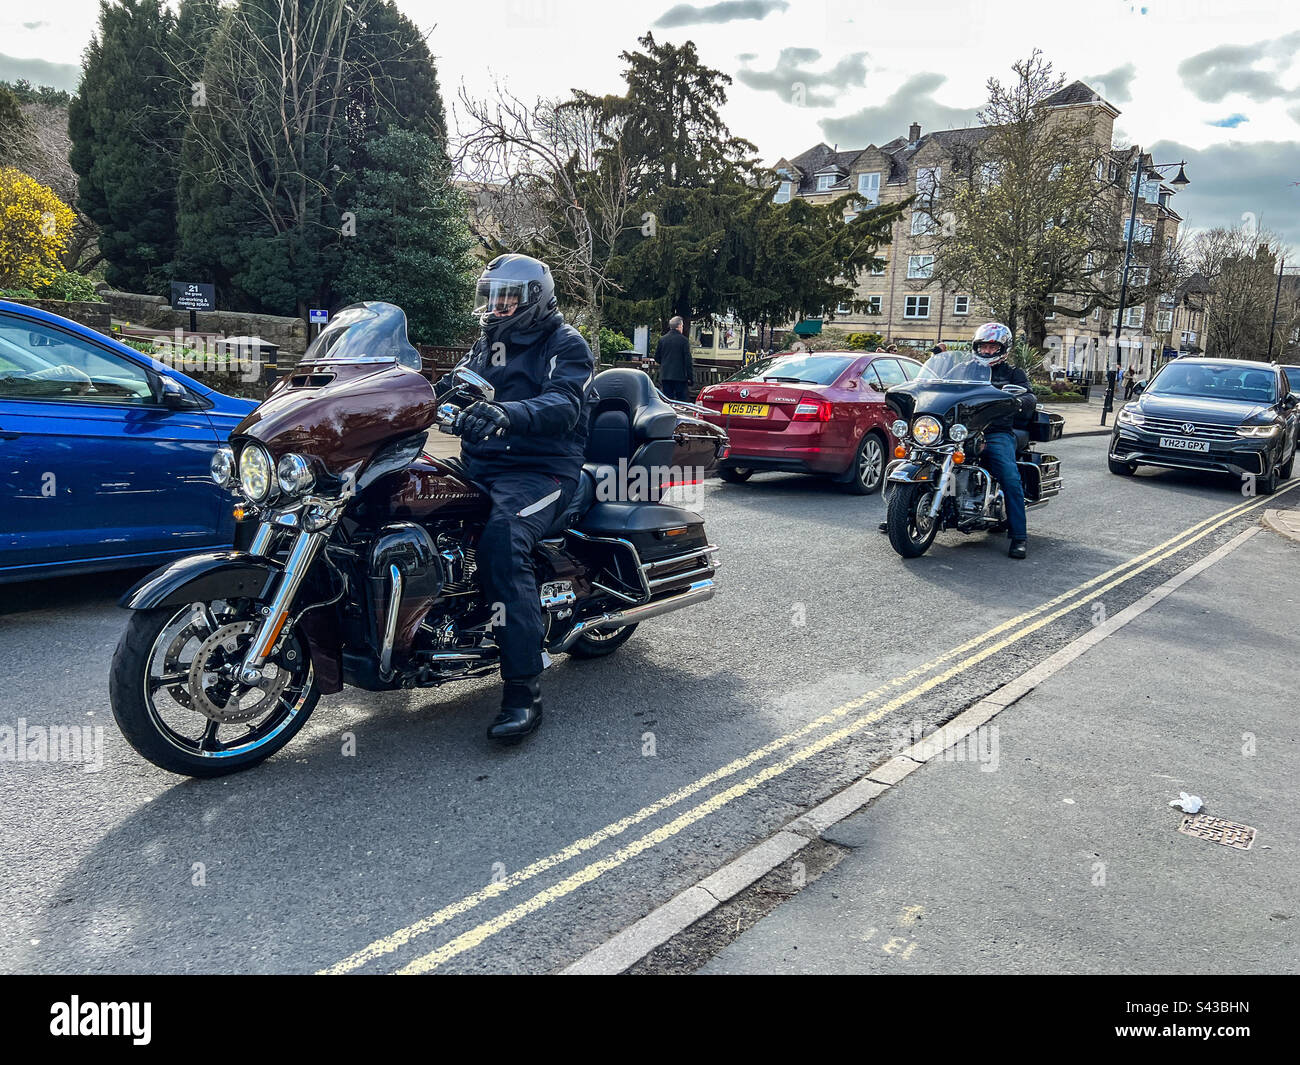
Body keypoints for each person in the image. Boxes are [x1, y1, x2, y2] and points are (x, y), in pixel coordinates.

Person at [435, 253, 595, 744]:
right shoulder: (486, 343)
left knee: (503, 537)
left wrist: (507, 414)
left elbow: (565, 402)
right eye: (491, 296)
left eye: (507, 297)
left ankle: (523, 690)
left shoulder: (565, 343)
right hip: (482, 467)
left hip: (541, 473)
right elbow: (450, 388)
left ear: (534, 298)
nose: (497, 306)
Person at [969, 322, 1033, 559]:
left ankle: (1019, 536)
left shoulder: (1014, 374)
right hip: (961, 430)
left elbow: (1028, 399)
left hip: (995, 432)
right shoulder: (965, 369)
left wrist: (1018, 399)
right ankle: (900, 514)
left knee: (1009, 475)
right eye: (983, 346)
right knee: (920, 454)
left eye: (992, 347)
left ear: (1002, 348)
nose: (986, 351)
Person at [654, 316, 693, 401]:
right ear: (679, 326)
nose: (682, 328)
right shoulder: (684, 340)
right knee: (681, 401)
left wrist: (665, 363)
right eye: (682, 326)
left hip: (665, 376)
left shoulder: (662, 340)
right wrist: (690, 377)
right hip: (680, 377)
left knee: (667, 400)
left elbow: (657, 357)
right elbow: (688, 361)